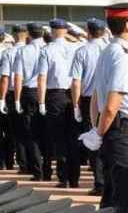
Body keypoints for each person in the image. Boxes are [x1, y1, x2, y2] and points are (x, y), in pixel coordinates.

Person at [79, 1, 128, 213]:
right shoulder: (123, 56)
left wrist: (96, 130)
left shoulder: (108, 52)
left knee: (112, 194)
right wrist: (99, 132)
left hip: (116, 131)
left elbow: (95, 98)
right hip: (126, 132)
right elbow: (111, 105)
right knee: (127, 196)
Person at [37, 18, 81, 188]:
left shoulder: (47, 50)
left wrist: (41, 102)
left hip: (55, 95)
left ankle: (64, 178)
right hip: (74, 93)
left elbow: (42, 77)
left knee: (59, 138)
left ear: (53, 31)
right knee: (73, 137)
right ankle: (75, 178)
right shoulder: (76, 47)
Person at [70, 18, 109, 196]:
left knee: (94, 140)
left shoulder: (82, 51)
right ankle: (111, 181)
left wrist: (76, 104)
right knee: (111, 140)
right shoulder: (110, 49)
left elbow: (76, 82)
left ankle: (100, 183)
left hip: (89, 100)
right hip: (111, 99)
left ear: (88, 31)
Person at [14, 22, 49, 181]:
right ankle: (47, 170)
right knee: (47, 133)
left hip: (29, 92)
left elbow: (18, 77)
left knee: (32, 134)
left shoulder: (23, 51)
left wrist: (16, 98)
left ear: (29, 34)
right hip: (48, 92)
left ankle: (38, 171)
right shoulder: (49, 48)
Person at [0, 24, 27, 171]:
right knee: (20, 131)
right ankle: (18, 162)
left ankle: (4, 162)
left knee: (8, 130)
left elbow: (5, 78)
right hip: (28, 93)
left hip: (8, 94)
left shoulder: (8, 52)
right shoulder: (31, 50)